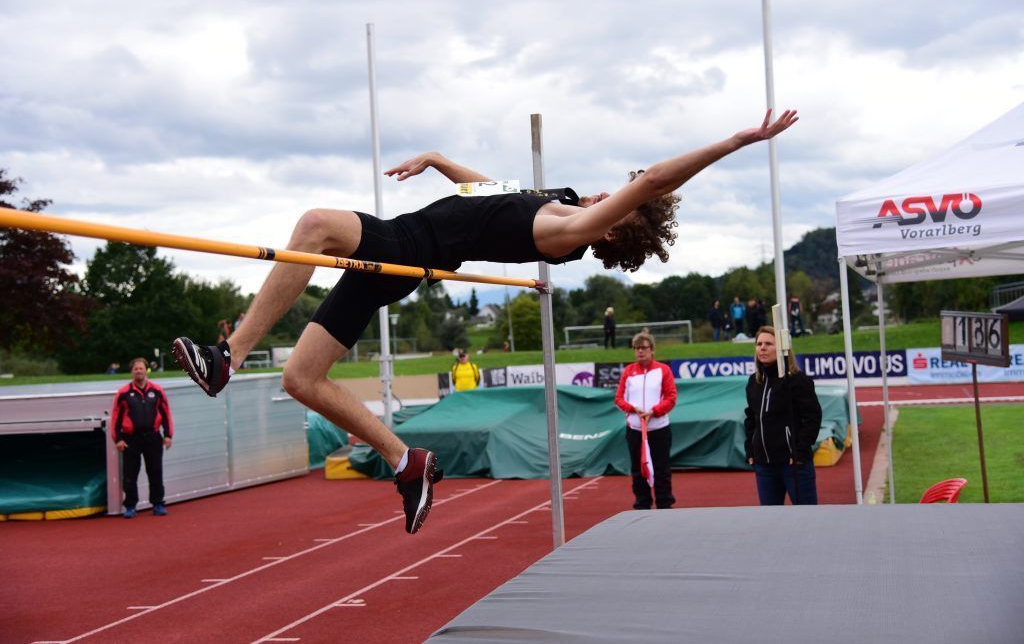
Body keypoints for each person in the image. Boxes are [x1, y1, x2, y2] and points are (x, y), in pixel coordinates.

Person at [171, 109, 798, 534]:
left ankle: (228, 356)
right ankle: (405, 461)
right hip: (402, 250)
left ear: (612, 228)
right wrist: (440, 160)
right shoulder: (560, 201)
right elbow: (493, 191)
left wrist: (734, 143)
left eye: (620, 199)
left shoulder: (571, 232)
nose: (612, 191)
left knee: (314, 225)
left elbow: (657, 179)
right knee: (302, 379)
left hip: (407, 245)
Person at [743, 326, 822, 505]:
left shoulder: (797, 380)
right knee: (770, 517)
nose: (762, 348)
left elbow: (813, 418)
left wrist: (799, 450)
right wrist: (750, 448)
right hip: (764, 465)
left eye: (769, 344)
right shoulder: (754, 382)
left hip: (794, 464)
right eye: (759, 344)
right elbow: (751, 418)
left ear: (782, 348)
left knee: (807, 516)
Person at [615, 331, 677, 509]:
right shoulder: (628, 372)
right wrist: (633, 409)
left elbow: (671, 397)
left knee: (662, 469)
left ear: (652, 349)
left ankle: (664, 505)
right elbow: (619, 399)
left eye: (643, 347)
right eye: (636, 348)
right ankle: (642, 504)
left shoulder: (663, 370)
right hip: (635, 430)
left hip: (659, 428)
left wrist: (654, 412)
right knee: (638, 469)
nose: (640, 351)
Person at [111, 357, 173, 517]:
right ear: (131, 372)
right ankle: (130, 506)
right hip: (130, 439)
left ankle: (158, 504)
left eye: (141, 368)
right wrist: (118, 439)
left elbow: (166, 414)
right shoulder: (123, 393)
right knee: (130, 474)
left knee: (155, 472)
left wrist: (168, 435)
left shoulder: (157, 390)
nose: (138, 371)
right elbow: (116, 417)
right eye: (136, 369)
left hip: (153, 437)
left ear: (146, 371)